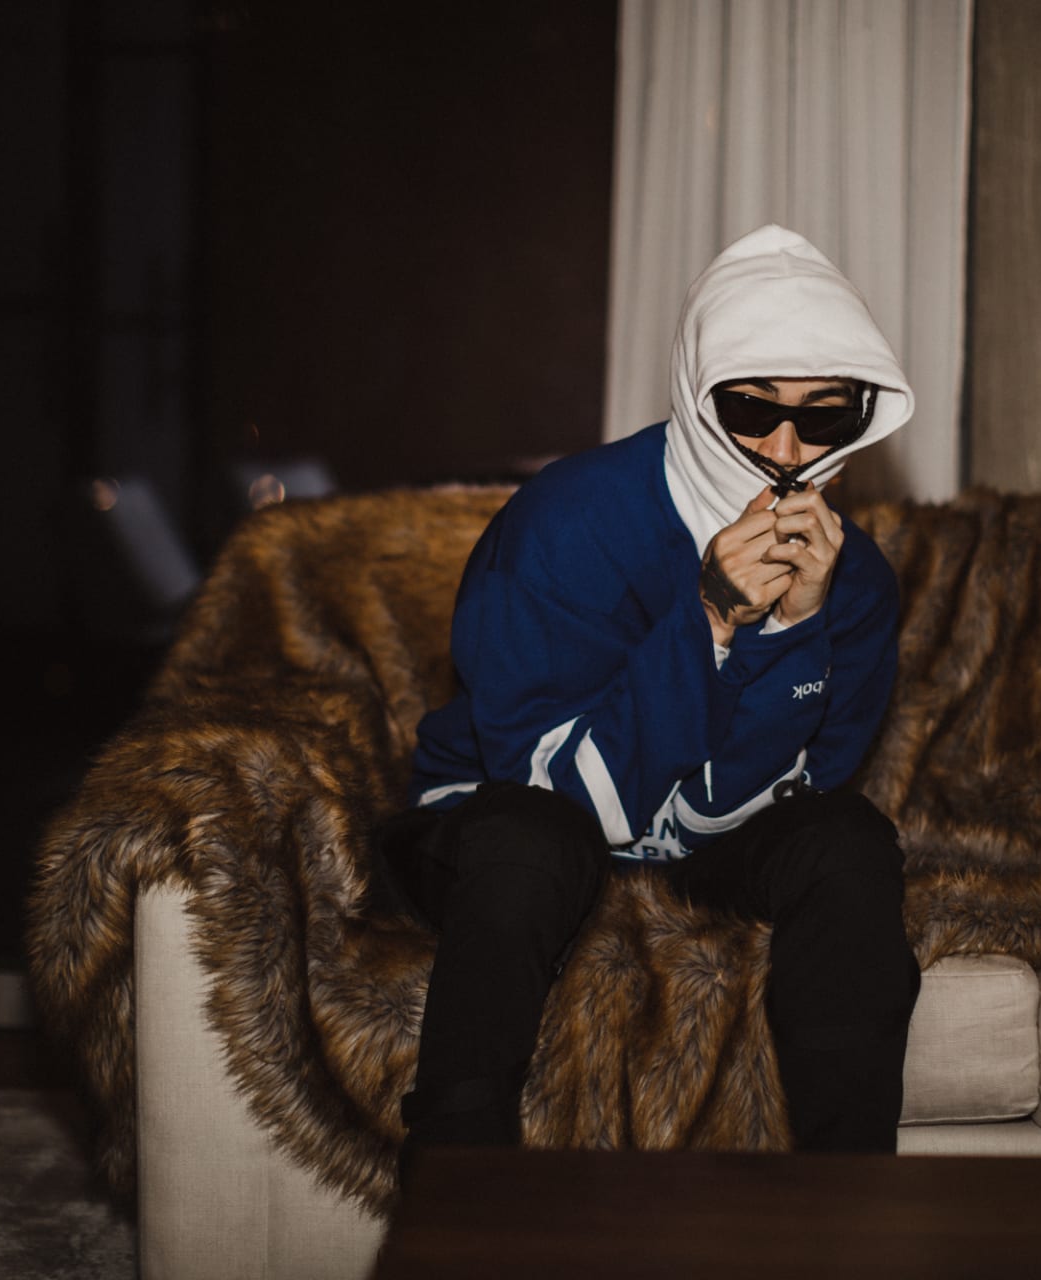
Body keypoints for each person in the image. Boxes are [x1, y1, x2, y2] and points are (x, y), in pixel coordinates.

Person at [382, 224, 920, 1164]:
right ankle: (455, 1183)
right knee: (528, 841)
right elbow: (562, 795)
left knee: (848, 841)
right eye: (750, 408)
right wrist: (711, 618)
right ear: (698, 393)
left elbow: (799, 792)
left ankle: (849, 1196)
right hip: (514, 808)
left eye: (824, 416)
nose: (785, 447)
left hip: (704, 840)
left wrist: (793, 633)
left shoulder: (857, 579)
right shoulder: (567, 520)